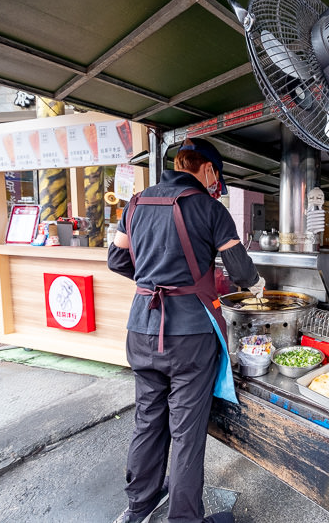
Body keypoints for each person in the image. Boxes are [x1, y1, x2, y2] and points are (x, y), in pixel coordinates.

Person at [107, 137, 265, 523]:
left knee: (148, 418)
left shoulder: (136, 203)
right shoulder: (210, 209)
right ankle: (183, 518)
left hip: (142, 326)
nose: (216, 185)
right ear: (207, 170)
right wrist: (253, 285)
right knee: (186, 431)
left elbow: (116, 259)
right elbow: (243, 273)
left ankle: (139, 506)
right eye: (217, 177)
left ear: (178, 164)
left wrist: (150, 282)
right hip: (190, 335)